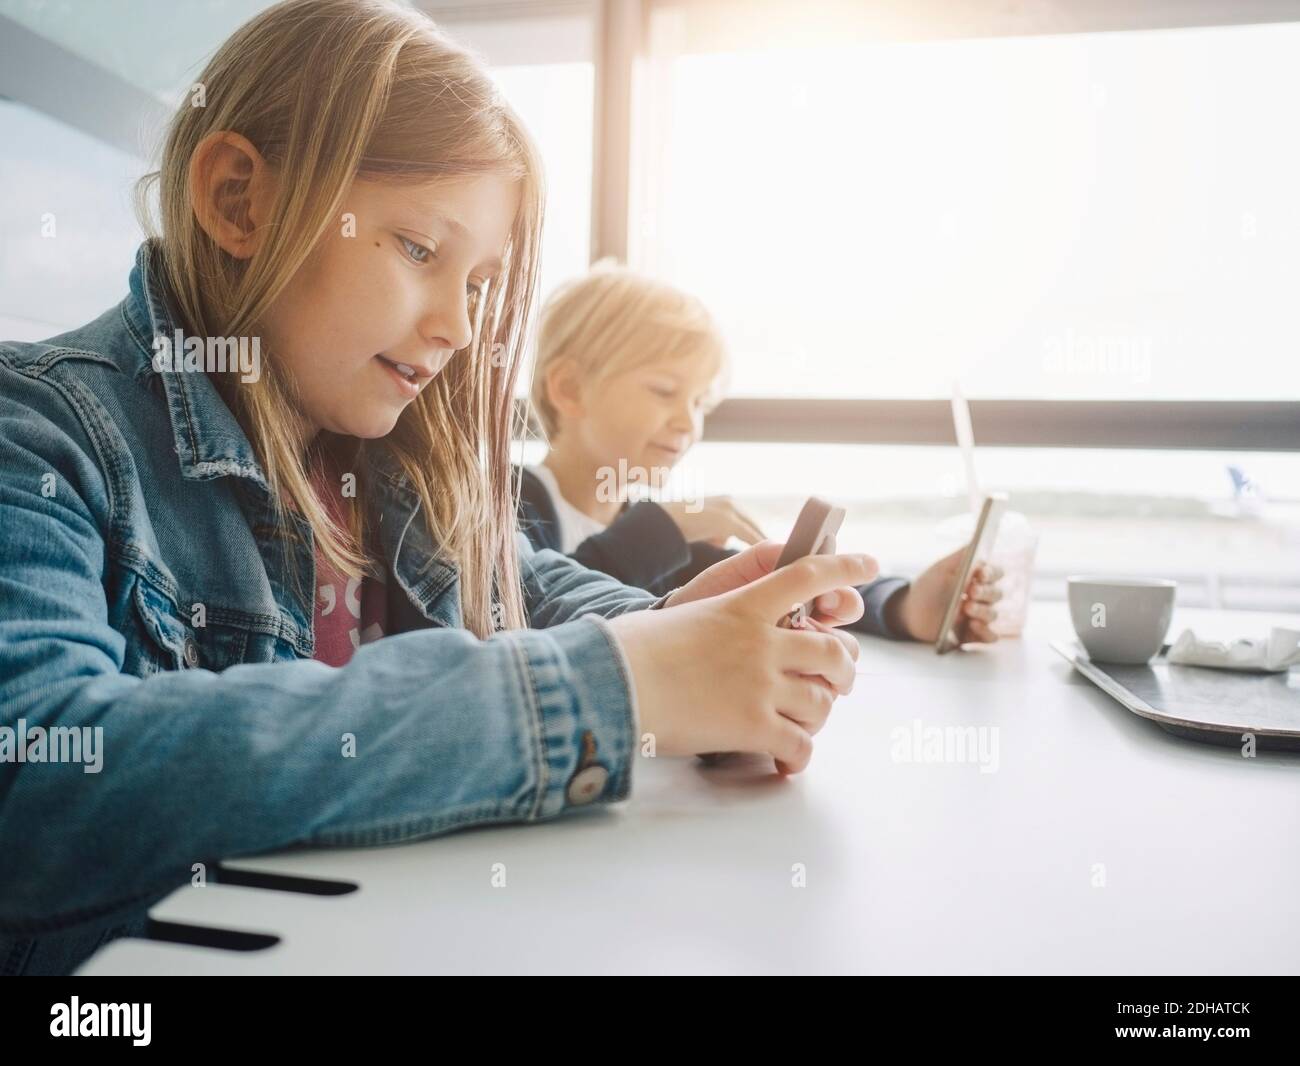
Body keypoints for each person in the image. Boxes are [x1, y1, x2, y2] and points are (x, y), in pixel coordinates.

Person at [0, 0, 872, 974]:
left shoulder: (392, 454)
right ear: (240, 200)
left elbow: (528, 579)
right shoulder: (40, 434)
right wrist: (618, 686)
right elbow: (34, 789)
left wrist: (678, 627)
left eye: (479, 283)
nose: (459, 327)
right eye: (421, 250)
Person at [521, 264, 1004, 644]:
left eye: (699, 403)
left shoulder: (660, 537)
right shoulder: (512, 503)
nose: (689, 423)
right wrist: (659, 528)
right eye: (664, 391)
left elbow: (771, 585)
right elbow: (534, 607)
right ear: (569, 389)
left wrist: (905, 606)